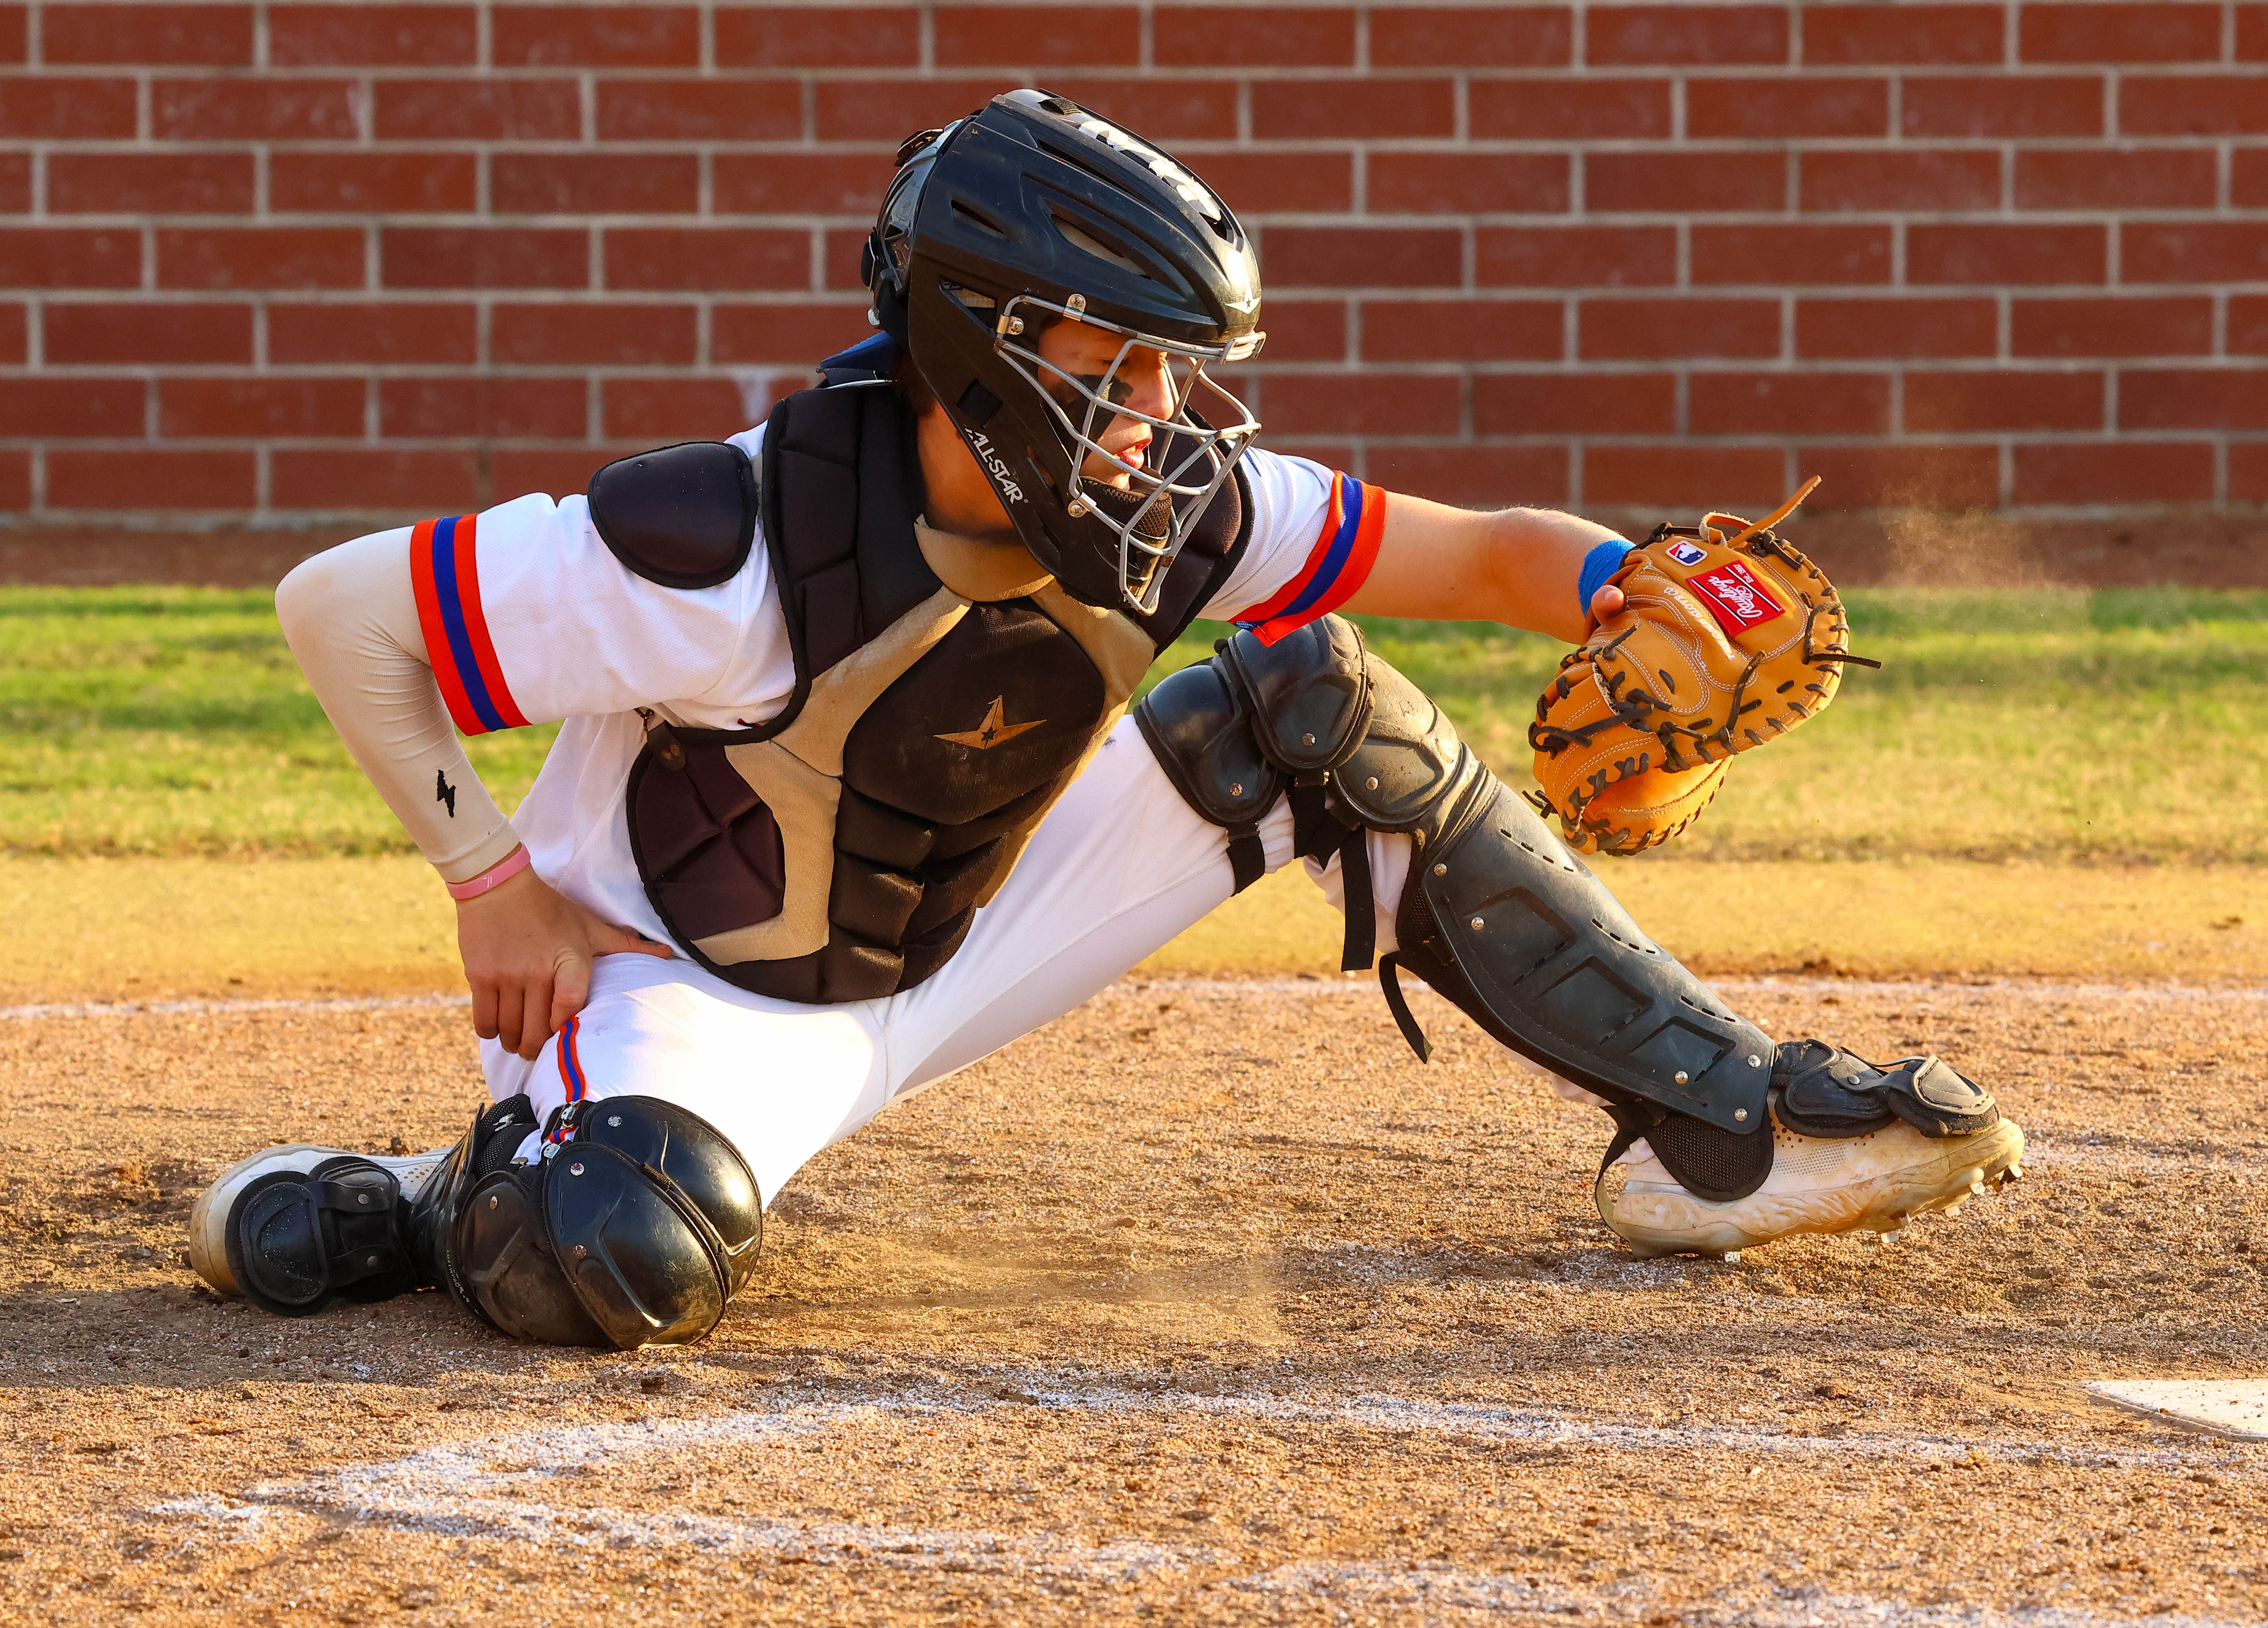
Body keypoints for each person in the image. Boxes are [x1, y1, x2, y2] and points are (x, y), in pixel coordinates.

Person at [188, 91, 2021, 1350]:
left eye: (1175, 364)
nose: (1162, 408)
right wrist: (491, 877)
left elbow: (1462, 556)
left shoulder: (1171, 506)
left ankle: (1724, 1126)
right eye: (1116, 359)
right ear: (984, 344)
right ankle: (434, 1199)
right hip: (690, 993)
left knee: (1314, 691)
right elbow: (341, 609)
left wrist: (1626, 583)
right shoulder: (726, 536)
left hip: (961, 943)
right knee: (613, 1258)